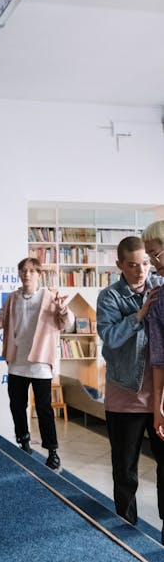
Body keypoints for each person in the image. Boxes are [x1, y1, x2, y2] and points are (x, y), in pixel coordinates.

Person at [96, 235, 164, 542]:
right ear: (120, 265)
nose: (141, 271)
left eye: (146, 263)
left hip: (160, 401)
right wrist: (138, 316)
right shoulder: (109, 297)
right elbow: (110, 340)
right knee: (125, 472)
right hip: (124, 398)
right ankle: (125, 529)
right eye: (133, 265)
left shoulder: (160, 288)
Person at [0, 257, 73, 471]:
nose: (27, 274)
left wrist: (63, 309)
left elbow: (66, 323)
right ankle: (24, 442)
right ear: (19, 274)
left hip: (40, 363)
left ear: (39, 274)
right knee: (17, 405)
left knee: (44, 409)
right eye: (23, 270)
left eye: (31, 271)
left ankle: (53, 451)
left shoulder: (50, 297)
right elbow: (0, 321)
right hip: (17, 362)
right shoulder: (12, 298)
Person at [141, 221, 164, 443]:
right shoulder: (158, 299)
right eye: (149, 256)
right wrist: (158, 407)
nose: (154, 263)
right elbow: (158, 359)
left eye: (155, 254)